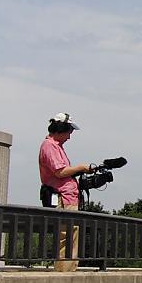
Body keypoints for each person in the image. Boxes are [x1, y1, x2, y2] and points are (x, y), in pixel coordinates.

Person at [38, 112, 90, 272]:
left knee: (71, 236)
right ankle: (64, 273)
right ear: (61, 129)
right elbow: (59, 172)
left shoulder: (55, 147)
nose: (69, 137)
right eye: (69, 132)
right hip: (62, 197)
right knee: (66, 237)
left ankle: (69, 270)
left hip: (68, 197)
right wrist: (81, 168)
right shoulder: (50, 146)